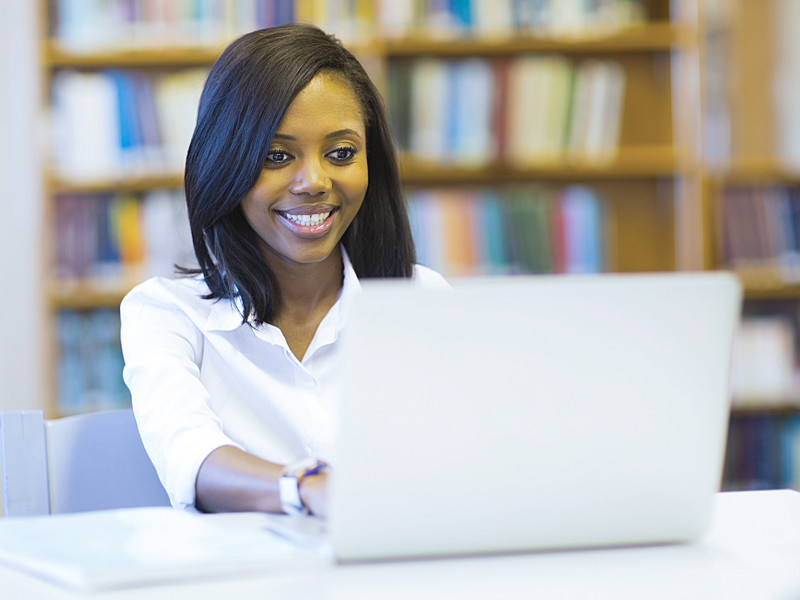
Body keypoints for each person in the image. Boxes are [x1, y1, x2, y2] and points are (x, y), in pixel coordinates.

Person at [120, 23, 447, 518]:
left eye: (341, 153)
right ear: (225, 163)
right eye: (277, 156)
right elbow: (193, 460)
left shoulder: (421, 299)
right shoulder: (164, 314)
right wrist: (309, 489)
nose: (313, 181)